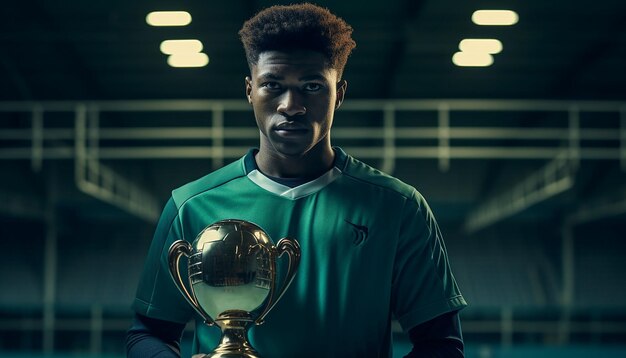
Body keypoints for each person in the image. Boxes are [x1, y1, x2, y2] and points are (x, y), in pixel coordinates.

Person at [126, 3, 467, 357]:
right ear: (249, 91)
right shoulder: (191, 205)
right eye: (273, 85)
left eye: (312, 86)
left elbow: (441, 344)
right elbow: (149, 334)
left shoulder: (399, 207)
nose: (291, 105)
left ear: (341, 94)